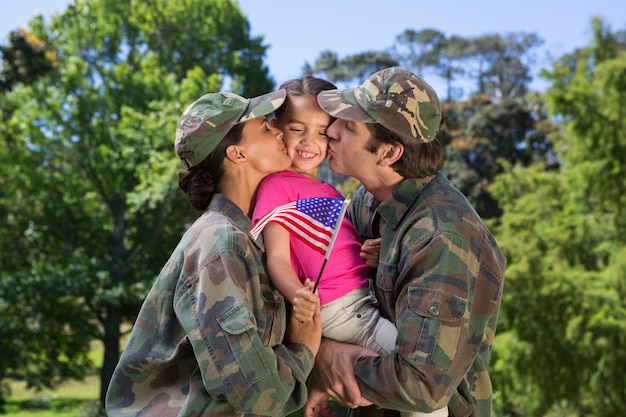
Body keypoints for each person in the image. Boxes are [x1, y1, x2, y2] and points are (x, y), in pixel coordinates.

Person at [105, 90, 322, 417]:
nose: (279, 130)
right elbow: (255, 394)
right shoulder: (220, 243)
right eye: (265, 127)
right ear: (237, 153)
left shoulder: (251, 238)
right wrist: (303, 349)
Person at [304, 67, 507, 417]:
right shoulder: (369, 201)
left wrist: (324, 360)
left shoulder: (440, 237)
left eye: (350, 126)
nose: (331, 130)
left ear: (388, 154)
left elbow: (422, 386)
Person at [252, 76, 447, 417]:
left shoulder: (325, 189)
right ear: (276, 128)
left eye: (323, 130)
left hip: (357, 303)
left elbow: (332, 249)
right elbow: (279, 258)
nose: (311, 141)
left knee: (404, 383)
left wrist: (369, 253)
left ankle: (319, 385)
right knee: (423, 386)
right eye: (297, 129)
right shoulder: (277, 187)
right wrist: (297, 294)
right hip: (342, 310)